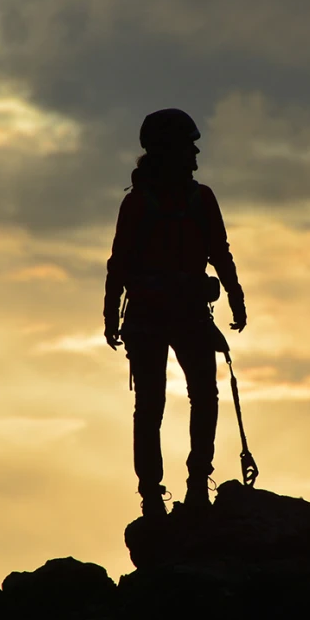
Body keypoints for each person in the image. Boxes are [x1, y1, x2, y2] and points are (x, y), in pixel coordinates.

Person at [103, 108, 247, 518]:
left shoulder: (175, 200)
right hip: (175, 316)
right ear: (169, 150)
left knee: (162, 404)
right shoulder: (165, 202)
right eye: (189, 144)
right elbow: (121, 264)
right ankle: (171, 492)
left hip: (162, 317)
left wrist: (111, 317)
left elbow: (218, 252)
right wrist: (235, 298)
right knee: (180, 401)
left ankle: (174, 491)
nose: (196, 152)